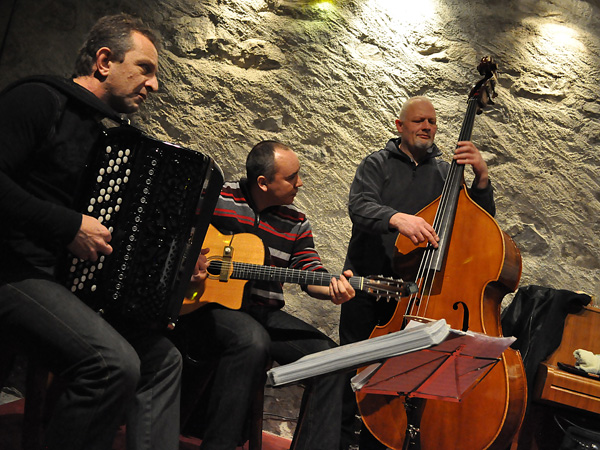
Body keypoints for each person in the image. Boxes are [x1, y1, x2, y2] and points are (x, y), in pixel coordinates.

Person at [0, 14, 182, 450]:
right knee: (112, 363)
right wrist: (67, 226)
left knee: (162, 359)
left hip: (57, 280)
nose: (153, 85)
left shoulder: (112, 136)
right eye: (146, 69)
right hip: (11, 267)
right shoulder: (39, 99)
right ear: (104, 61)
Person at [338, 96, 496, 450]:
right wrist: (397, 218)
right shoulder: (376, 163)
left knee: (402, 383)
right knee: (353, 377)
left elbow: (477, 225)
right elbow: (359, 207)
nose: (427, 127)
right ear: (400, 126)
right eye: (419, 121)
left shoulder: (445, 173)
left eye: (433, 122)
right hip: (368, 288)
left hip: (418, 297)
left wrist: (481, 177)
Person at [176, 140, 356, 450]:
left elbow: (309, 269)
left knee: (332, 360)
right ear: (263, 182)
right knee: (252, 340)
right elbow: (177, 231)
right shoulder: (218, 198)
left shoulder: (296, 222)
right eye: (291, 177)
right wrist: (189, 255)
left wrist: (331, 288)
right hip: (207, 308)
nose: (299, 183)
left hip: (264, 312)